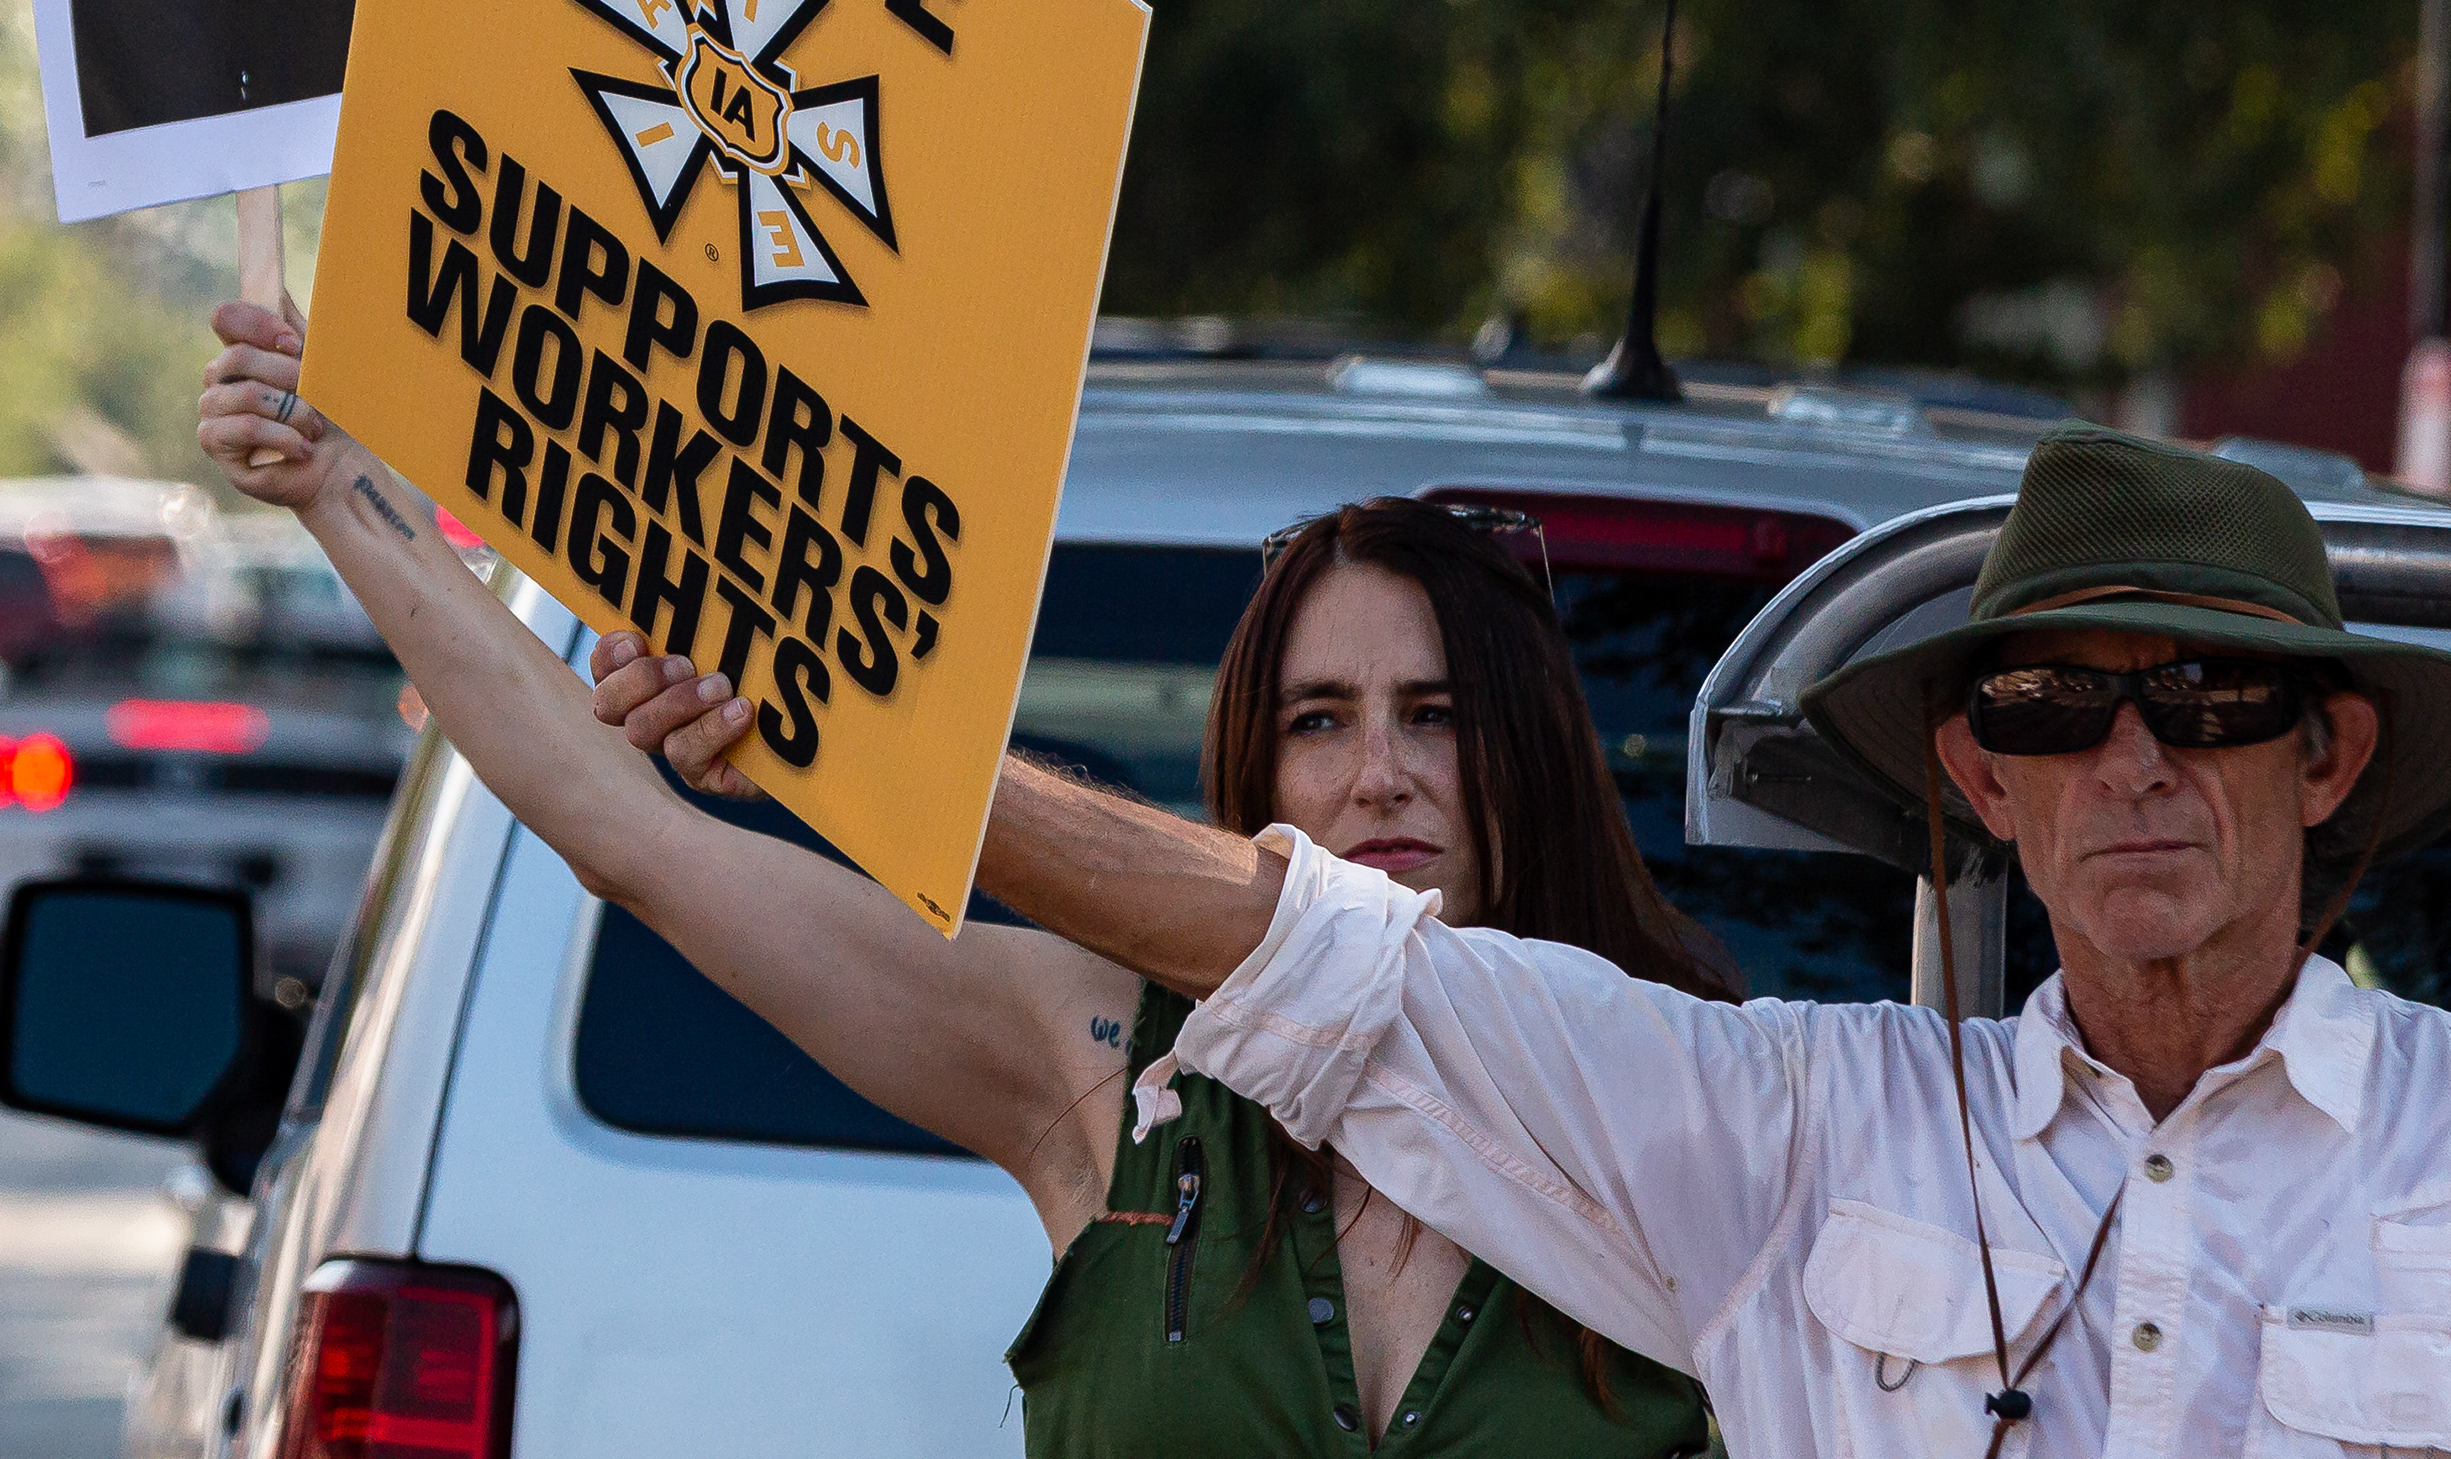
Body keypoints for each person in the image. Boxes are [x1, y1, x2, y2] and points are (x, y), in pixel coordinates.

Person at [610, 419, 2451, 1459]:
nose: (2133, 765)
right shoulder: (1808, 1125)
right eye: (2053, 705)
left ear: (2329, 756)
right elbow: (1328, 962)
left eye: (2209, 699)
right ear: (1980, 776)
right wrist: (853, 737)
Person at [199, 299, 1722, 1453]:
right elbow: (638, 840)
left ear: (1531, 749)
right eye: (1316, 721)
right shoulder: (1112, 1063)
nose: (1378, 771)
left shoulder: (1712, 1106)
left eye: (1437, 715)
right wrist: (337, 482)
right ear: (1254, 780)